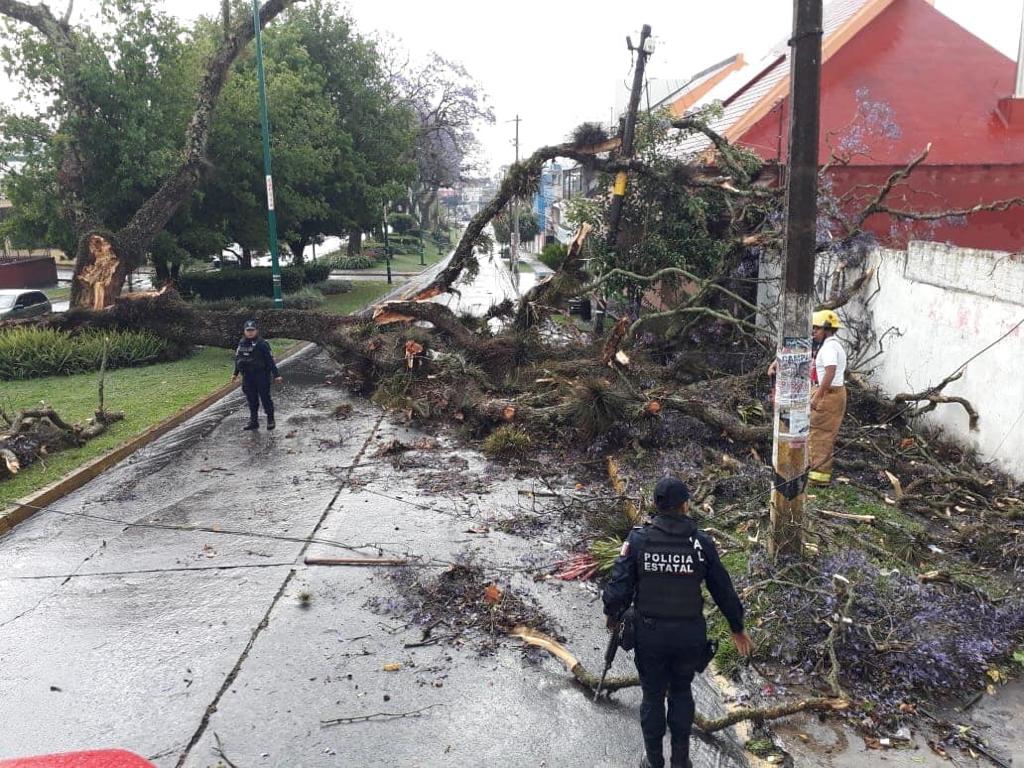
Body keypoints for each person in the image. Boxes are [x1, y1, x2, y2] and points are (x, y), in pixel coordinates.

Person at [603, 477, 754, 768]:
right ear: (685, 505)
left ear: (656, 506)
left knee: (652, 697)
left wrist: (612, 614)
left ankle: (654, 761)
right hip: (689, 636)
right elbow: (723, 588)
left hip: (650, 636)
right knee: (681, 692)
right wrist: (737, 628)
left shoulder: (638, 540)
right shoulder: (702, 543)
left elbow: (619, 586)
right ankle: (681, 762)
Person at [808, 309, 847, 485]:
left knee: (820, 433)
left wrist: (818, 396)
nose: (814, 333)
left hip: (828, 394)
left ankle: (818, 476)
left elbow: (830, 372)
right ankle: (814, 470)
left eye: (816, 329)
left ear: (826, 329)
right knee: (820, 432)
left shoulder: (830, 348)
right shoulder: (833, 345)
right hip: (831, 393)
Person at [231, 319, 282, 431]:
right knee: (251, 400)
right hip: (248, 376)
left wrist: (276, 375)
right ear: (244, 331)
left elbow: (270, 361)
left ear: (256, 331)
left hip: (261, 375)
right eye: (248, 330)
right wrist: (235, 374)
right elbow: (238, 359)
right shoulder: (241, 343)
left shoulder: (262, 344)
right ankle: (254, 422)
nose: (250, 332)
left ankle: (270, 420)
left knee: (265, 398)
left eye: (252, 330)